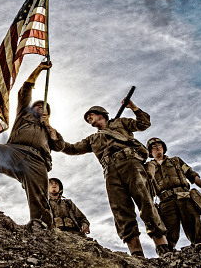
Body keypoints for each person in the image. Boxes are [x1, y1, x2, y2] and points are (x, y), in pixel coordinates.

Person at [61, 102, 170, 257]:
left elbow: (143, 123)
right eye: (87, 119)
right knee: (120, 210)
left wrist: (133, 107)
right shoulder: (92, 139)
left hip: (131, 163)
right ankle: (136, 253)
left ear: (101, 114)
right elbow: (71, 148)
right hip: (110, 171)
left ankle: (163, 248)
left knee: (145, 201)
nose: (88, 119)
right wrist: (52, 135)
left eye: (90, 115)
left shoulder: (120, 123)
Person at [0, 61, 64, 227]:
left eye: (43, 106)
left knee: (39, 194)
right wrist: (39, 69)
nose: (40, 107)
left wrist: (48, 126)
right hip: (15, 151)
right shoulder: (24, 116)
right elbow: (24, 90)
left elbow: (59, 145)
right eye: (38, 105)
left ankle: (42, 227)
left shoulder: (49, 129)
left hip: (37, 161)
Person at [145, 137, 201, 250]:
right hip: (165, 200)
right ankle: (168, 253)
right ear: (150, 152)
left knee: (193, 220)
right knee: (168, 229)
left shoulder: (176, 161)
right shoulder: (148, 167)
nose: (157, 148)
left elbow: (191, 174)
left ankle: (200, 245)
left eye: (159, 145)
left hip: (184, 196)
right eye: (154, 146)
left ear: (164, 148)